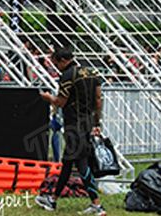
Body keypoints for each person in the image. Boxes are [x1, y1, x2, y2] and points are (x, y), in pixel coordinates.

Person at [36, 47, 105, 215]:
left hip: (74, 124)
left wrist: (47, 98)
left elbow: (60, 101)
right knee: (67, 163)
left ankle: (97, 205)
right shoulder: (91, 72)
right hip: (87, 122)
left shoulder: (68, 76)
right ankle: (53, 200)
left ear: (63, 61)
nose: (56, 67)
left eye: (56, 63)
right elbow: (98, 99)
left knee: (81, 163)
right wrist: (97, 122)